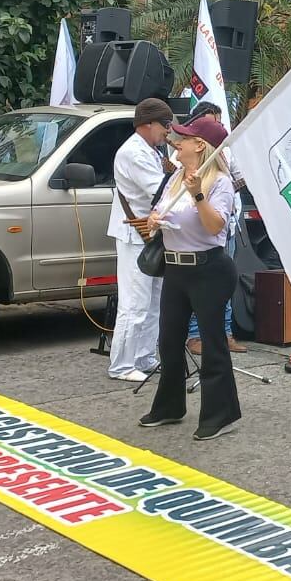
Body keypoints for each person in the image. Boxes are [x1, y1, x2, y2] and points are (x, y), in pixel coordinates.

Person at [140, 116, 241, 439]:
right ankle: (169, 406)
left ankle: (220, 414)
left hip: (208, 268)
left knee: (212, 342)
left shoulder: (219, 183)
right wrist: (154, 220)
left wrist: (198, 195)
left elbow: (215, 227)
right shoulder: (176, 178)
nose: (176, 142)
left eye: (184, 138)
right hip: (176, 267)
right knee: (169, 340)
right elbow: (162, 212)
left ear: (200, 146)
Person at [105, 99, 173, 382]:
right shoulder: (134, 152)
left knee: (153, 301)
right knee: (135, 303)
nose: (167, 131)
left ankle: (144, 357)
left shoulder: (151, 150)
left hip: (151, 234)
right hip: (135, 235)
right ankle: (121, 364)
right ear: (146, 124)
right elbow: (159, 191)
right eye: (164, 125)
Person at [179, 102, 246, 354]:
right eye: (210, 122)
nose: (216, 126)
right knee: (200, 287)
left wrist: (229, 189)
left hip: (227, 226)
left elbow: (237, 176)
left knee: (224, 283)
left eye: (218, 122)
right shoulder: (187, 156)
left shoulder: (226, 153)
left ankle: (226, 333)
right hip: (201, 231)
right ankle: (196, 336)